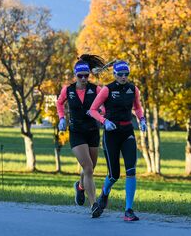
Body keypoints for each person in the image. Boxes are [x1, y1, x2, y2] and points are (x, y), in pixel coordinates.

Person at [88, 60, 147, 222]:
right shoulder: (107, 89)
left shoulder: (133, 89)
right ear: (114, 75)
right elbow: (92, 110)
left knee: (131, 171)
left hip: (127, 132)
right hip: (111, 134)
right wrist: (104, 121)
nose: (123, 77)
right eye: (120, 74)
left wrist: (141, 119)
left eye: (126, 74)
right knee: (114, 175)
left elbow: (137, 107)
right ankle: (104, 193)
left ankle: (128, 210)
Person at [56, 54, 106, 218]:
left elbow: (104, 106)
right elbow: (59, 103)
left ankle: (80, 187)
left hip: (92, 131)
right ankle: (94, 205)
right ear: (75, 75)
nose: (84, 79)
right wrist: (62, 118)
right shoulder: (68, 90)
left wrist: (102, 114)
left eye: (86, 75)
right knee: (89, 168)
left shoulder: (96, 89)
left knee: (91, 167)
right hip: (77, 132)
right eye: (80, 76)